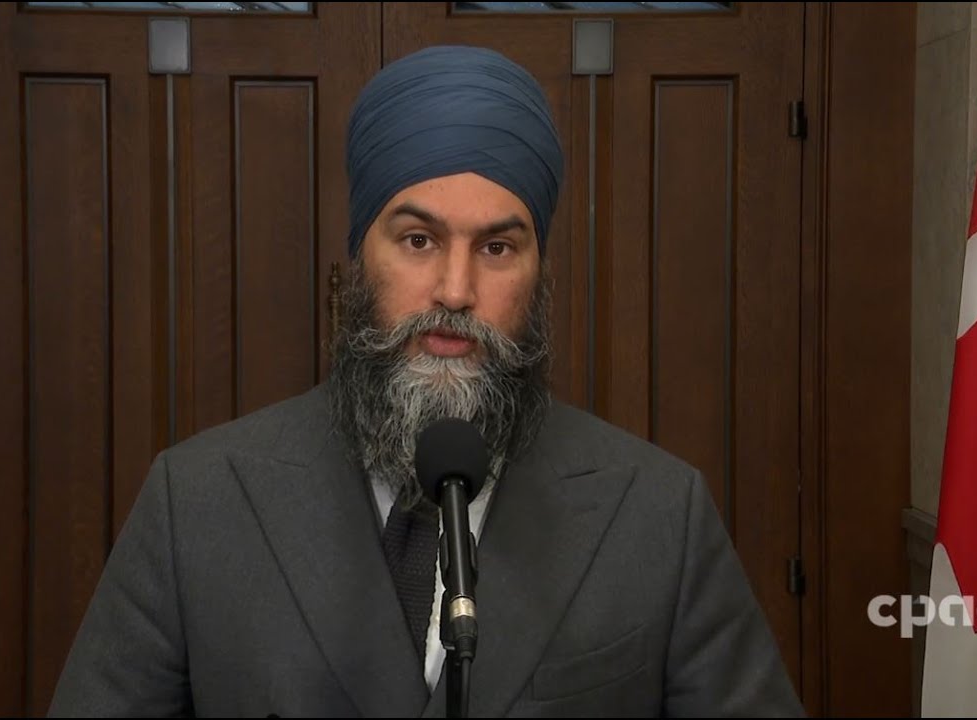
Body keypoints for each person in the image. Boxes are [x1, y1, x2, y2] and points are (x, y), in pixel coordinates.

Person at [49, 45, 803, 718]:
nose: (454, 289)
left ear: (539, 276)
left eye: (498, 248)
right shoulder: (197, 502)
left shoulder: (660, 515)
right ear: (357, 259)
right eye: (418, 240)